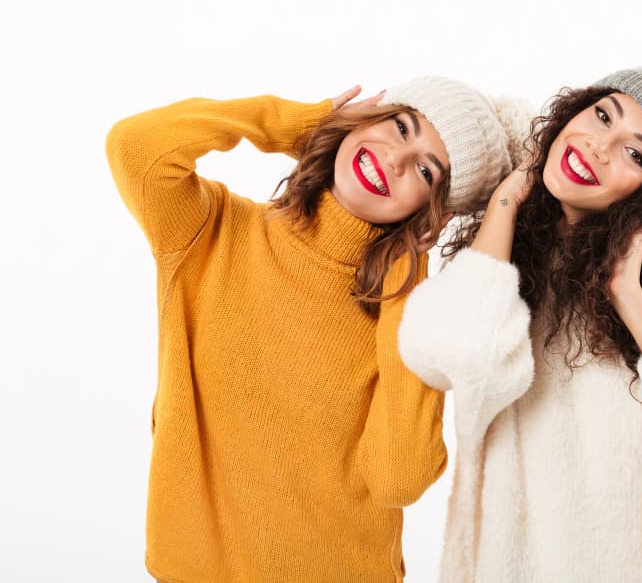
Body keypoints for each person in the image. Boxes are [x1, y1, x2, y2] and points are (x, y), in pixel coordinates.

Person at [105, 77, 533, 582]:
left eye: (424, 169)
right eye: (400, 126)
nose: (394, 159)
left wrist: (408, 281)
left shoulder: (404, 313)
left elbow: (399, 478)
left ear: (432, 215)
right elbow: (135, 146)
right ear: (367, 117)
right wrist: (296, 124)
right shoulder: (212, 229)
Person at [398, 65, 642, 582]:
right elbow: (449, 357)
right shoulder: (499, 258)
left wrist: (627, 292)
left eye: (636, 154)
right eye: (603, 114)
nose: (598, 147)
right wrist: (503, 203)